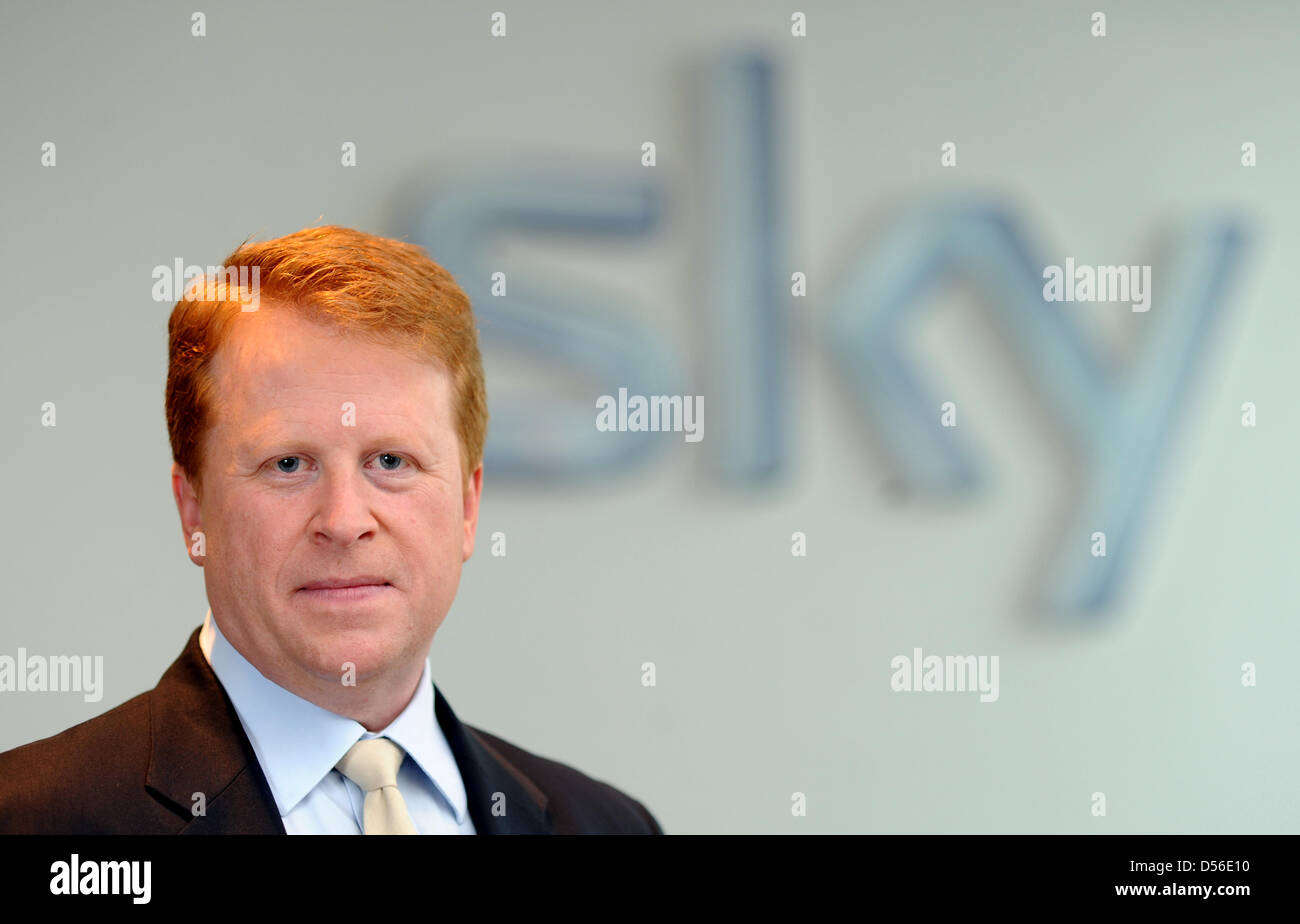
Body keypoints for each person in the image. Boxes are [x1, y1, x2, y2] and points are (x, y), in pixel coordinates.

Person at [0, 226, 662, 835]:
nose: (345, 522)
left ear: (467, 507)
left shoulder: (607, 825)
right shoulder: (32, 819)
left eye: (392, 461)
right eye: (288, 463)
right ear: (193, 509)